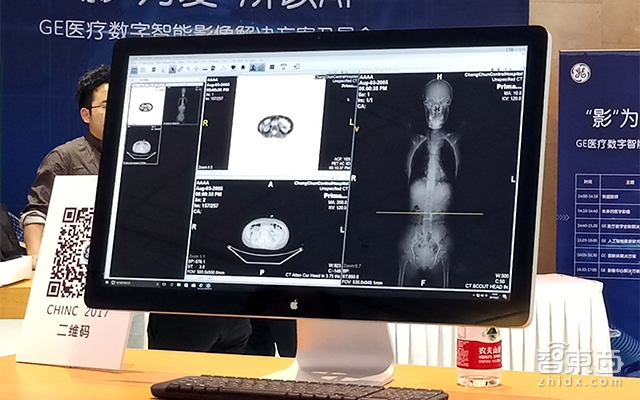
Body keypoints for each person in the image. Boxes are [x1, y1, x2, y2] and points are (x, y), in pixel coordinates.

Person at [20, 64, 252, 354]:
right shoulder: (65, 157)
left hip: (137, 277)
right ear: (86, 114)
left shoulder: (154, 151)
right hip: (82, 281)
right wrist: (37, 260)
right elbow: (36, 212)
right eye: (108, 104)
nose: (120, 108)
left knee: (133, 356)